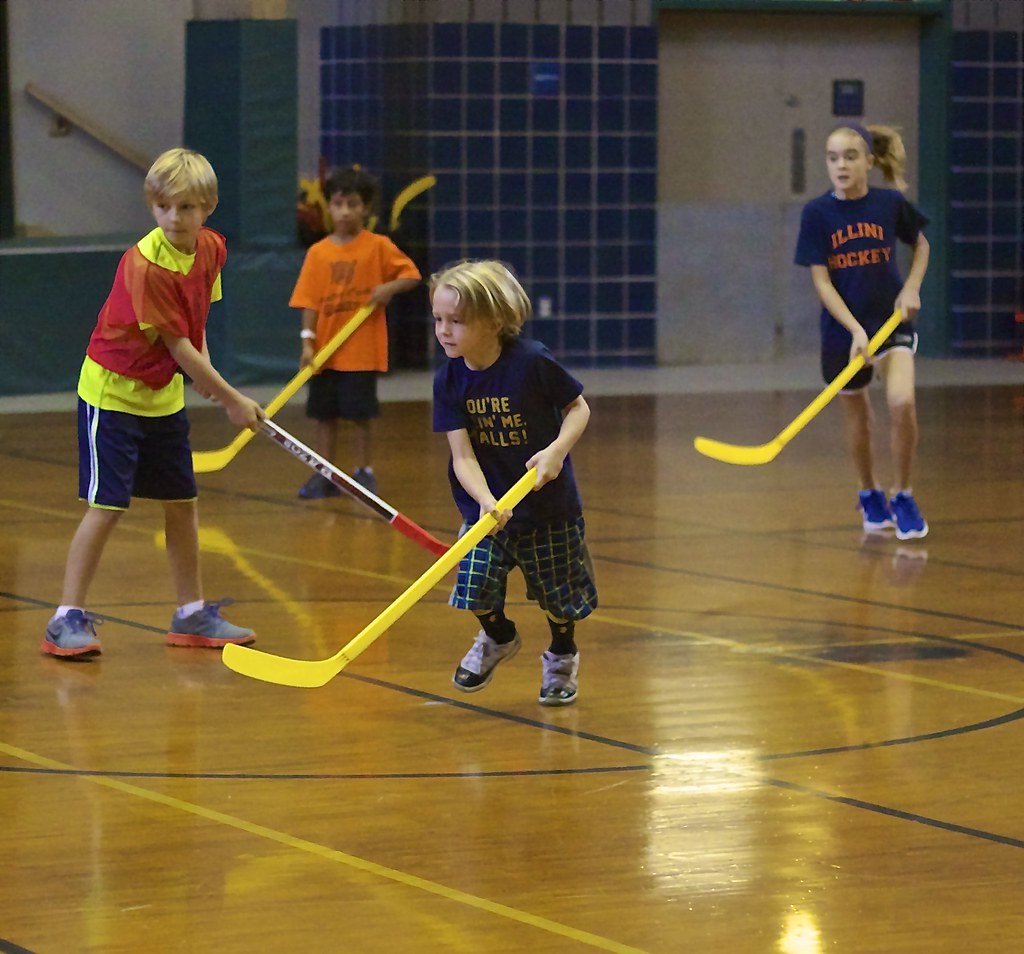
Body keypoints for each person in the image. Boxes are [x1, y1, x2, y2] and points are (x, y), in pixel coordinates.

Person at [42, 148, 265, 659]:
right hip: (113, 395)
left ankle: (191, 613)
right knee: (107, 506)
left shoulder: (211, 250)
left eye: (186, 207)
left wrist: (210, 381)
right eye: (164, 207)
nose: (174, 218)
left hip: (162, 398)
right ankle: (65, 618)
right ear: (153, 207)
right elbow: (177, 345)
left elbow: (198, 322)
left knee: (182, 503)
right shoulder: (145, 265)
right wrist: (232, 399)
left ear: (207, 207)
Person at [430, 260, 598, 706]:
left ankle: (562, 657)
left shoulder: (531, 362)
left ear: (494, 321)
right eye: (438, 320)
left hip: (547, 508)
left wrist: (556, 451)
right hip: (487, 509)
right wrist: (485, 501)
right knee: (475, 584)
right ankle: (498, 637)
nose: (443, 331)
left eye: (456, 322)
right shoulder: (448, 378)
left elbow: (578, 409)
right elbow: (462, 454)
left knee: (559, 597)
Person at [794, 122, 931, 540]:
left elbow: (921, 245)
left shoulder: (889, 204)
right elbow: (822, 282)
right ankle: (870, 493)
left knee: (902, 402)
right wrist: (854, 330)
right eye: (833, 158)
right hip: (842, 332)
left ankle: (903, 494)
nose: (841, 165)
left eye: (850, 157)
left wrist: (910, 287)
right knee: (858, 418)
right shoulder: (817, 214)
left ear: (869, 162)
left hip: (891, 322)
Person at [289, 165, 421, 498]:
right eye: (338, 204)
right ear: (329, 207)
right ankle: (325, 473)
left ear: (365, 208)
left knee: (360, 415)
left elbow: (412, 276)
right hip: (325, 352)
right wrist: (308, 343)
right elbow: (309, 302)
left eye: (353, 204)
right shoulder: (318, 253)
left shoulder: (378, 246)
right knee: (324, 416)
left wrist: (388, 288)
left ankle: (364, 473)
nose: (345, 211)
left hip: (360, 351)